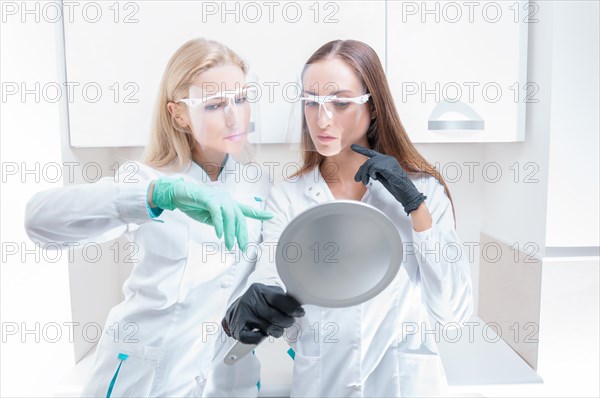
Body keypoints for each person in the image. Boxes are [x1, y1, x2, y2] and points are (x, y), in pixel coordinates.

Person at [222, 39, 474, 397]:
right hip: (325, 385)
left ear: (373, 106)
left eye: (340, 102)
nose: (321, 119)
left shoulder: (423, 192)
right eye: (311, 101)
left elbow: (452, 312)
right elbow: (272, 277)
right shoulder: (288, 197)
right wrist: (257, 306)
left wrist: (416, 209)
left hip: (404, 386)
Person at [25, 38, 272, 397]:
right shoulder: (145, 180)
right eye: (215, 104)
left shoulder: (259, 185)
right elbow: (39, 221)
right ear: (179, 114)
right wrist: (157, 197)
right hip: (143, 378)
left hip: (227, 380)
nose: (235, 116)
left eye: (241, 99)